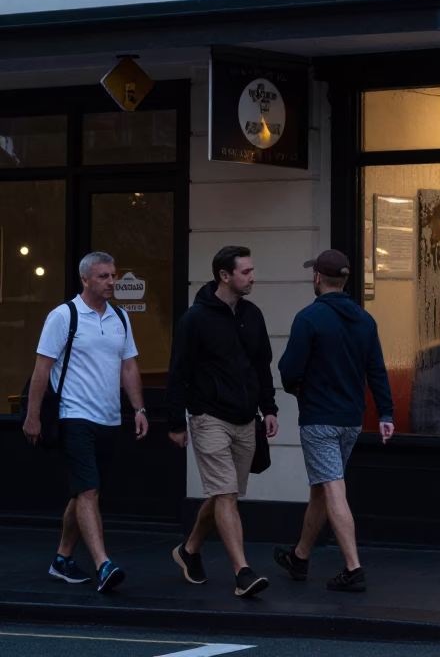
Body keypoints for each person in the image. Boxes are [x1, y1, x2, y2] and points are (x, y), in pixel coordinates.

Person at [24, 252, 147, 593]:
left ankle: (62, 558)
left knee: (84, 493)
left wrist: (139, 409)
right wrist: (32, 416)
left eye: (113, 275)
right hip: (73, 416)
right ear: (86, 279)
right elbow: (41, 369)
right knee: (88, 490)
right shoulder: (64, 316)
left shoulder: (121, 317)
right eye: (104, 276)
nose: (111, 282)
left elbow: (129, 367)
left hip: (109, 418)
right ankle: (103, 564)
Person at [274, 250, 395, 593]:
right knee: (323, 487)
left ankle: (353, 568)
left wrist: (298, 390)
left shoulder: (309, 318)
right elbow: (377, 370)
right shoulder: (365, 320)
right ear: (345, 280)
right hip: (350, 420)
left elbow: (289, 370)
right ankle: (299, 557)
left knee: (333, 488)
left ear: (317, 278)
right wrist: (385, 413)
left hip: (319, 420)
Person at [166, 246, 279, 597]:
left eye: (251, 270)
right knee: (226, 494)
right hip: (208, 417)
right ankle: (242, 572)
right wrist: (176, 423)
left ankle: (189, 549)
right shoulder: (195, 319)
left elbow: (261, 366)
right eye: (245, 272)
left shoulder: (253, 315)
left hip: (246, 419)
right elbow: (178, 373)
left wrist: (270, 408)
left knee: (222, 495)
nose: (252, 277)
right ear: (224, 276)